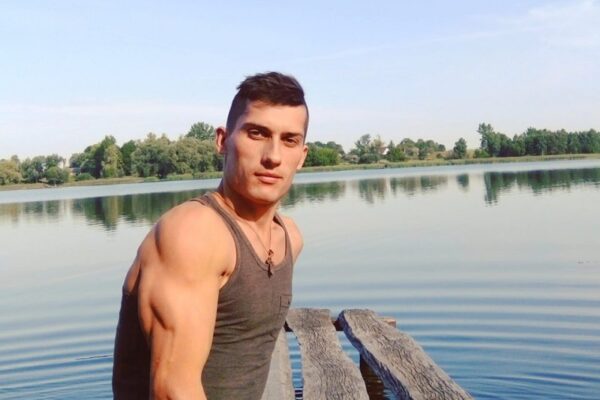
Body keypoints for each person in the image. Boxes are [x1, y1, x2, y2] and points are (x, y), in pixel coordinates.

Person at [112, 72, 309, 399]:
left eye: (289, 140)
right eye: (257, 133)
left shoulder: (289, 237)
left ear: (301, 156)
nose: (273, 156)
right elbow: (172, 390)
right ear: (223, 140)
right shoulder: (194, 233)